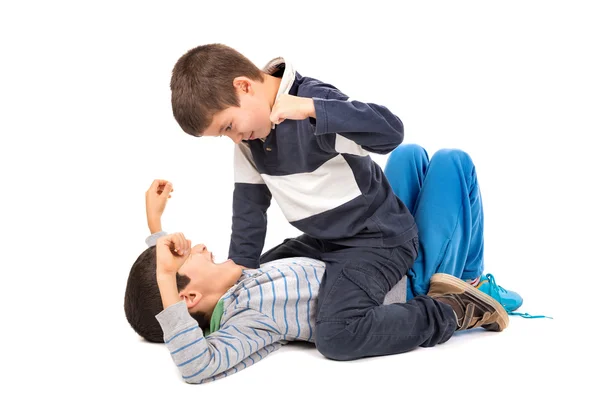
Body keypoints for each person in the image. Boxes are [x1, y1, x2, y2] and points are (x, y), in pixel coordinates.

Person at [169, 43, 523, 342]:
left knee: (444, 160)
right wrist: (239, 265)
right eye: (223, 135)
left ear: (244, 86)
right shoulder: (249, 144)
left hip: (378, 236)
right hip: (336, 237)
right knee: (410, 158)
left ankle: (472, 282)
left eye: (229, 126)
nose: (234, 138)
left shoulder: (311, 105)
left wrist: (310, 109)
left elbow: (389, 132)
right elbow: (248, 209)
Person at [124, 144, 510, 383]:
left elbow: (171, 276)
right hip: (409, 281)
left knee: (408, 155)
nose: (201, 246)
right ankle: (472, 281)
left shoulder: (239, 276)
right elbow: (195, 365)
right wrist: (163, 274)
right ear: (188, 297)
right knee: (452, 163)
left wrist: (157, 228)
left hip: (378, 243)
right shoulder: (246, 320)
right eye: (191, 256)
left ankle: (466, 271)